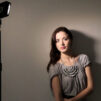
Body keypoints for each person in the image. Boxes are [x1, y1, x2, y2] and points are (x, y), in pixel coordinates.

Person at [47, 26, 94, 101]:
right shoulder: (54, 66)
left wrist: (72, 100)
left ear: (71, 40)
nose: (62, 43)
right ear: (55, 44)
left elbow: (90, 88)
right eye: (57, 40)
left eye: (65, 39)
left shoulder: (83, 58)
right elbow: (58, 97)